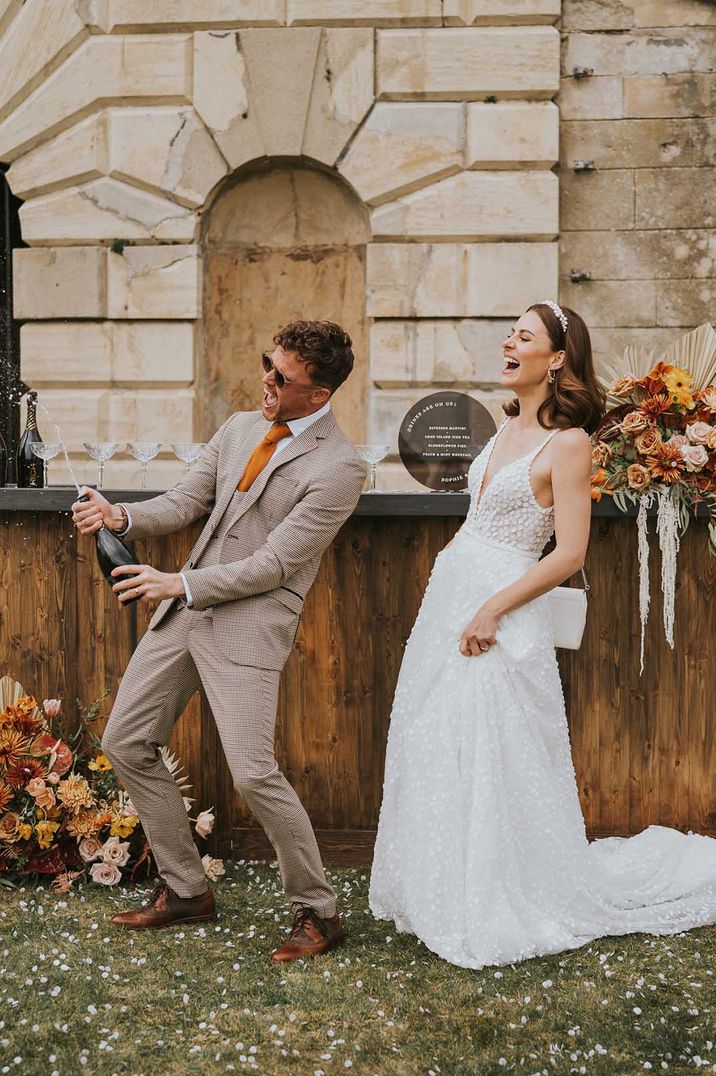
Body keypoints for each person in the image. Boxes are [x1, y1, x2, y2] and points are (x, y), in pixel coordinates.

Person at [369, 301, 716, 970]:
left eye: (523, 336)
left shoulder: (570, 442)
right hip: (452, 596)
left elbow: (569, 554)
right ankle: (438, 888)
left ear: (556, 358)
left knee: (495, 746)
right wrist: (461, 598)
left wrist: (494, 608)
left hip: (503, 605)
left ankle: (497, 895)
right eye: (511, 333)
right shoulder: (502, 435)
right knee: (435, 735)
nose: (509, 343)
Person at [72, 320, 366, 963]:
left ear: (317, 396)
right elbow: (183, 501)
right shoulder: (238, 428)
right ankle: (185, 890)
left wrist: (177, 582)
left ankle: (319, 911)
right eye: (268, 362)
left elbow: (275, 565)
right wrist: (119, 515)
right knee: (125, 740)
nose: (267, 378)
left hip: (249, 625)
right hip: (185, 612)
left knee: (254, 772)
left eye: (282, 376)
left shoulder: (342, 468)